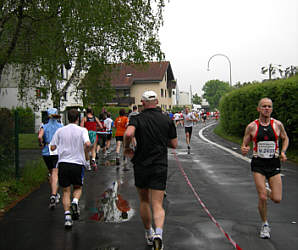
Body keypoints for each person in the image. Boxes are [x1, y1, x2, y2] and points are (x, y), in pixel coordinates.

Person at [123, 90, 177, 249]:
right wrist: (161, 142)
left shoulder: (137, 118)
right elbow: (174, 144)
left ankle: (149, 233)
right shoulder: (166, 119)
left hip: (141, 164)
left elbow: (128, 133)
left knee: (144, 200)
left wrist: (127, 147)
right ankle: (159, 233)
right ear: (158, 102)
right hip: (160, 164)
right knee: (158, 204)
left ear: (143, 103)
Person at [241, 98, 289, 239]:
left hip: (274, 164)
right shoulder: (252, 127)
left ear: (272, 109)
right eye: (264, 106)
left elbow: (285, 138)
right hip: (258, 164)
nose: (266, 109)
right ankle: (265, 224)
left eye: (269, 106)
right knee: (262, 197)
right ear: (258, 109)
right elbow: (244, 144)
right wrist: (244, 149)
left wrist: (283, 152)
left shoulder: (277, 125)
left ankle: (267, 189)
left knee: (277, 198)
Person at [50, 109, 91, 229]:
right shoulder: (82, 130)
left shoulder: (60, 130)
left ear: (67, 118)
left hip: (63, 163)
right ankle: (75, 202)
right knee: (78, 188)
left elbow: (52, 147)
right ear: (78, 118)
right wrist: (86, 155)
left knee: (66, 191)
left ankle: (67, 217)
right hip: (77, 163)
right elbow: (88, 144)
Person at [38, 108, 63, 209]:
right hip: (56, 150)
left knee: (51, 173)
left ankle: (54, 193)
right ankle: (54, 194)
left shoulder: (44, 126)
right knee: (55, 173)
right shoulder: (60, 126)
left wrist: (41, 143)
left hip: (46, 151)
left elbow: (40, 137)